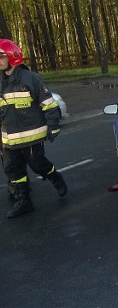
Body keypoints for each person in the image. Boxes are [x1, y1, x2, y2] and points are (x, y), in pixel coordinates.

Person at [0, 39, 67, 218]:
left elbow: (48, 104)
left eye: (1, 57)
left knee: (38, 165)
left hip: (31, 137)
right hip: (8, 140)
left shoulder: (30, 78)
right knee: (14, 171)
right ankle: (24, 201)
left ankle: (55, 177)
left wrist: (53, 126)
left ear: (13, 57)